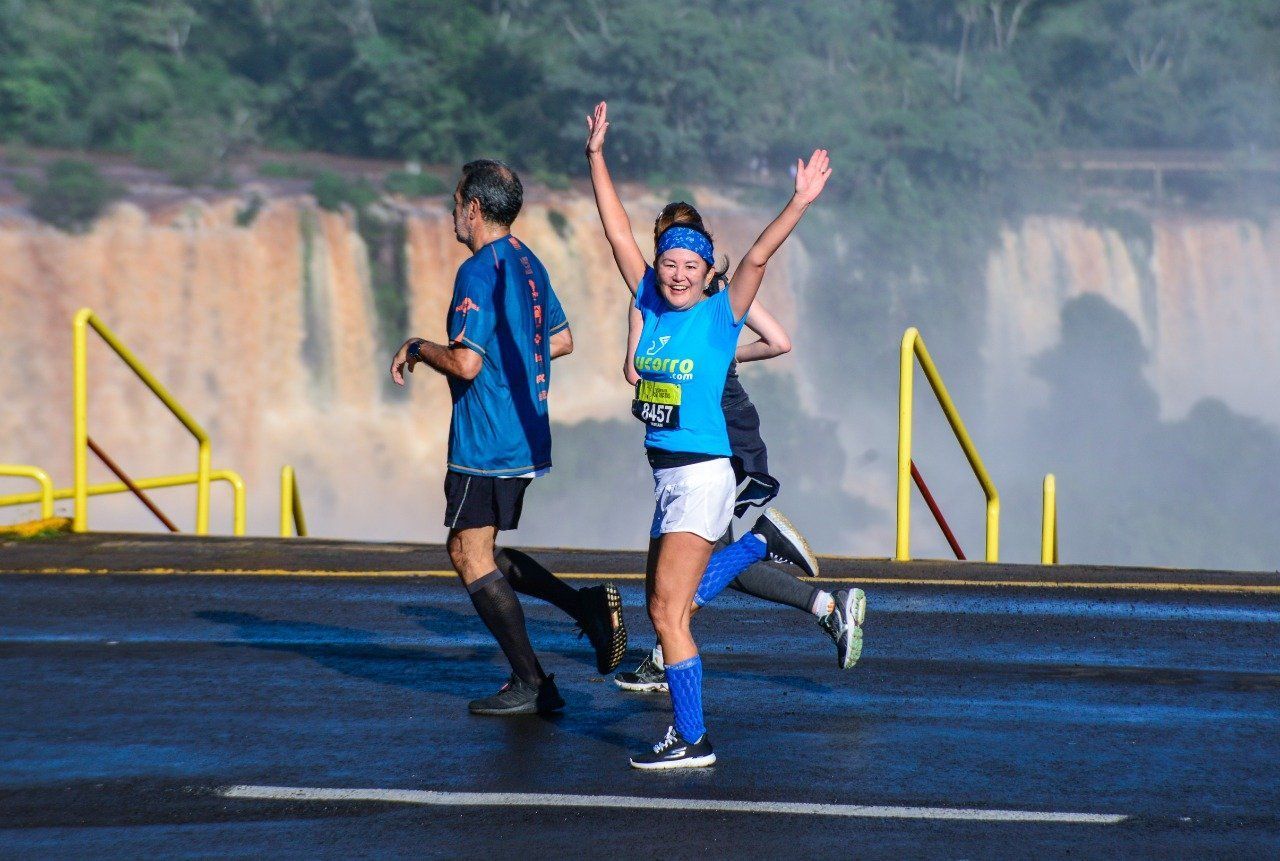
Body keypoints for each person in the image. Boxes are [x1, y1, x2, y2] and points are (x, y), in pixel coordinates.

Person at [585, 101, 832, 769]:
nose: (677, 272)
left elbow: (756, 255)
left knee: (670, 616)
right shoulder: (649, 305)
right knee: (673, 601)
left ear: (703, 271)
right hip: (671, 477)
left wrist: (799, 201)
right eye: (668, 263)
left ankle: (691, 737)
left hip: (700, 474)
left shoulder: (721, 315)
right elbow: (614, 235)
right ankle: (758, 544)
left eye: (689, 265)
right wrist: (596, 157)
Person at [390, 159, 627, 717]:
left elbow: (467, 364)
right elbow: (563, 340)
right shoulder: (528, 262)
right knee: (483, 548)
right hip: (525, 433)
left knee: (466, 553)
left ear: (474, 208)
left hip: (488, 438)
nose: (452, 213)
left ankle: (533, 683)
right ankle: (585, 609)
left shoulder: (478, 270)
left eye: (454, 203)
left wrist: (421, 348)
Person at [612, 202, 867, 696]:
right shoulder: (715, 293)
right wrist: (728, 357)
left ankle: (773, 564)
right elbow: (778, 342)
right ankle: (819, 605)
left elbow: (632, 371)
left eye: (683, 258)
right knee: (694, 559)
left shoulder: (671, 300)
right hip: (717, 432)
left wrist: (690, 363)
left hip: (715, 437)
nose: (676, 268)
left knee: (700, 563)